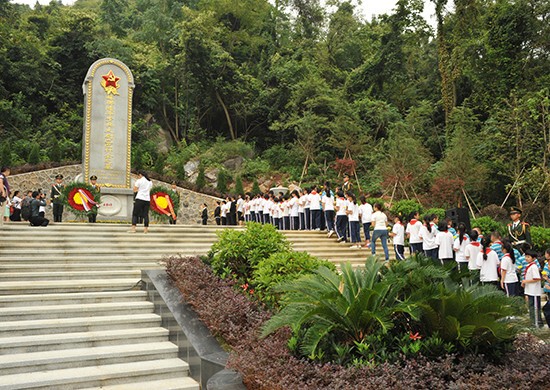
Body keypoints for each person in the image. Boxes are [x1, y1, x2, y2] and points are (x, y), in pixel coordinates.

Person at [522, 250, 543, 328]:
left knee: (534, 307)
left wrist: (525, 281)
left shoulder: (533, 267)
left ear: (533, 258)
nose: (526, 258)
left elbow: (537, 278)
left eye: (528, 257)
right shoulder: (529, 266)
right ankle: (534, 322)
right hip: (530, 290)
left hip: (534, 291)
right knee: (531, 307)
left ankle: (536, 323)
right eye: (526, 256)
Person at [542, 248, 550, 328]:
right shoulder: (546, 264)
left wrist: (547, 279)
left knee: (547, 309)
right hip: (547, 289)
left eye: (546, 253)